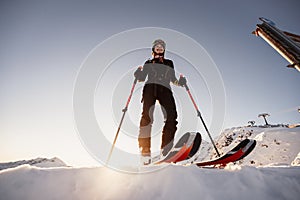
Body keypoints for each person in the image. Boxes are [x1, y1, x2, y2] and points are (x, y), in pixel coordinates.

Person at [134, 39, 186, 164]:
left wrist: (180, 82)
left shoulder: (169, 63)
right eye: (157, 46)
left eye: (162, 47)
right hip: (150, 88)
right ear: (153, 49)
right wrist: (138, 74)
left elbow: (173, 79)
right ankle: (145, 151)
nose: (159, 48)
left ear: (164, 50)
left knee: (172, 117)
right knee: (147, 118)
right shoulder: (148, 62)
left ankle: (166, 150)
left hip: (165, 90)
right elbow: (141, 78)